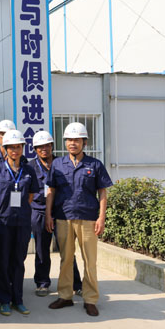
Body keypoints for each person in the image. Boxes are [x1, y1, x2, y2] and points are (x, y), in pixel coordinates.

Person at [46, 122, 113, 317]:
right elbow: (51, 190)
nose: (72, 143)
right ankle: (65, 296)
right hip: (63, 217)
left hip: (88, 218)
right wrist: (48, 214)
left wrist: (101, 217)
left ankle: (90, 299)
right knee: (66, 259)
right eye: (69, 140)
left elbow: (102, 192)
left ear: (85, 142)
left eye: (77, 140)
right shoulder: (57, 164)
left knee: (89, 261)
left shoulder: (95, 165)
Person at [0, 130, 39, 316]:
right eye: (11, 147)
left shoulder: (29, 171)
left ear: (22, 148)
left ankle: (18, 299)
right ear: (5, 148)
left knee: (18, 261)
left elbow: (31, 195)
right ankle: (4, 299)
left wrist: (21, 211)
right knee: (2, 261)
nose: (15, 150)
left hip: (22, 223)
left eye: (18, 147)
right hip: (1, 222)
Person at [30, 130, 83, 297]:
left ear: (52, 146)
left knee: (67, 250)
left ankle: (75, 283)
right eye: (40, 147)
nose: (44, 149)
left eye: (47, 145)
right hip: (39, 211)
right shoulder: (30, 167)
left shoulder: (62, 163)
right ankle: (42, 283)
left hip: (61, 212)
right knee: (41, 250)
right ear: (35, 149)